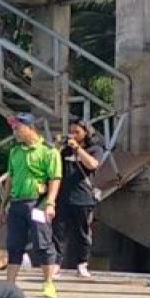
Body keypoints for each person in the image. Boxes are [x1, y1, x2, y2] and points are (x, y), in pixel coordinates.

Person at [0, 113, 62, 298]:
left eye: (18, 128)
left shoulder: (48, 151)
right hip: (17, 202)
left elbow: (55, 178)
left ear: (30, 128)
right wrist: (2, 206)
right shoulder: (15, 152)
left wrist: (50, 203)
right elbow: (10, 179)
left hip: (38, 202)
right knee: (14, 244)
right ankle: (9, 285)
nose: (15, 132)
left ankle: (48, 282)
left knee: (42, 242)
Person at [52, 119, 104, 278]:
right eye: (71, 132)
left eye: (77, 132)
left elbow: (93, 165)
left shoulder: (95, 149)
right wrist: (57, 147)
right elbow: (52, 165)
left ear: (86, 133)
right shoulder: (65, 151)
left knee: (82, 232)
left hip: (83, 197)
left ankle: (82, 263)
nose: (73, 135)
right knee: (58, 232)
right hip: (63, 196)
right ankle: (55, 264)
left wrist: (78, 149)